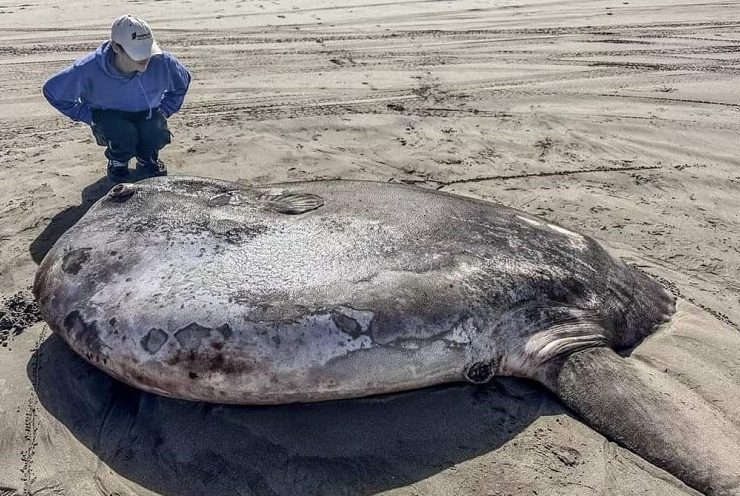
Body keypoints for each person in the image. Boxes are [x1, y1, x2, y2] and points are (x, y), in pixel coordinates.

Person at [42, 14, 191, 182]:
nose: (145, 58)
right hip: (109, 118)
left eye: (147, 50)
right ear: (116, 47)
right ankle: (118, 161)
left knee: (155, 129)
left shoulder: (163, 62)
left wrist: (165, 110)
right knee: (122, 133)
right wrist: (90, 117)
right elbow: (53, 92)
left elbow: (182, 82)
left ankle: (147, 157)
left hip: (148, 113)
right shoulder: (87, 69)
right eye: (137, 53)